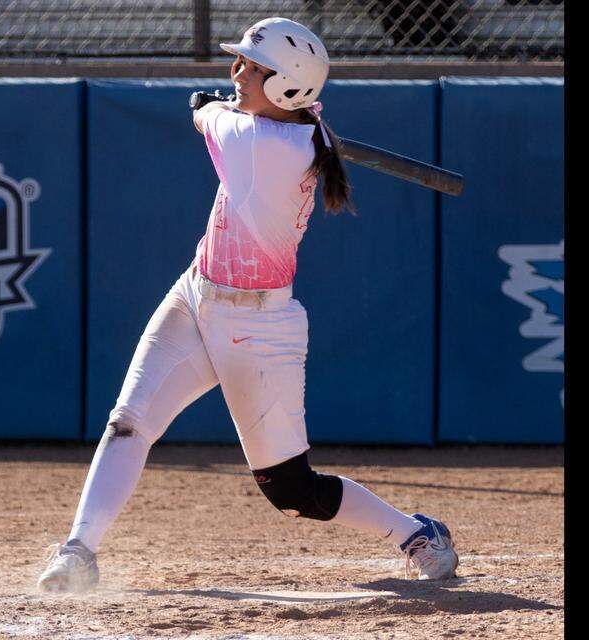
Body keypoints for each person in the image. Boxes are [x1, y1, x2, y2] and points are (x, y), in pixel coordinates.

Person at [37, 16, 458, 594]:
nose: (235, 73)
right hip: (194, 295)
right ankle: (78, 550)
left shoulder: (259, 141)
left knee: (291, 490)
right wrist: (239, 99)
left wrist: (210, 103)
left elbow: (203, 114)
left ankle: (414, 533)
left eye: (250, 68)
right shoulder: (301, 127)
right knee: (128, 423)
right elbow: (261, 111)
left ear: (287, 87)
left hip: (258, 327)